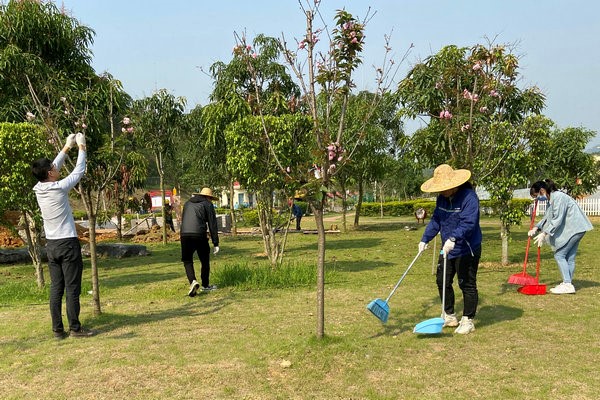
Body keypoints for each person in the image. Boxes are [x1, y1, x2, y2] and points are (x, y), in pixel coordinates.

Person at [31, 132, 94, 339]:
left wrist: (67, 147)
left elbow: (54, 166)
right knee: (72, 288)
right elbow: (79, 171)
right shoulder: (59, 188)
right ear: (50, 173)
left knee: (56, 288)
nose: (56, 168)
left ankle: (58, 330)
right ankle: (75, 328)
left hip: (51, 246)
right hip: (67, 244)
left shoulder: (39, 188)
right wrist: (82, 147)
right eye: (53, 168)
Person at [418, 164, 482, 335]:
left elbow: (469, 223)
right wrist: (425, 239)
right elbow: (436, 220)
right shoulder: (442, 199)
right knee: (442, 280)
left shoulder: (469, 197)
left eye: (444, 188)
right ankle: (449, 315)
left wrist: (454, 238)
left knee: (466, 283)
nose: (442, 191)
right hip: (448, 248)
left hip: (467, 248)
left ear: (455, 184)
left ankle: (468, 320)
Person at [528, 179, 593, 294]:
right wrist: (536, 228)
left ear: (542, 191)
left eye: (536, 196)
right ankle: (568, 283)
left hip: (576, 228)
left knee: (560, 254)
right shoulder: (551, 199)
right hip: (578, 228)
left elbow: (557, 219)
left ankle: (567, 284)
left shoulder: (558, 197)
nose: (536, 199)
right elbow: (547, 217)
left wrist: (544, 233)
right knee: (569, 257)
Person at [180, 187, 220, 297]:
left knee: (187, 260)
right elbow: (212, 224)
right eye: (211, 198)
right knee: (204, 259)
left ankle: (193, 281)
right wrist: (215, 243)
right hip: (199, 234)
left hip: (185, 234)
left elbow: (183, 220)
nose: (211, 200)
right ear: (208, 197)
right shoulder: (207, 204)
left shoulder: (187, 203)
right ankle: (205, 285)